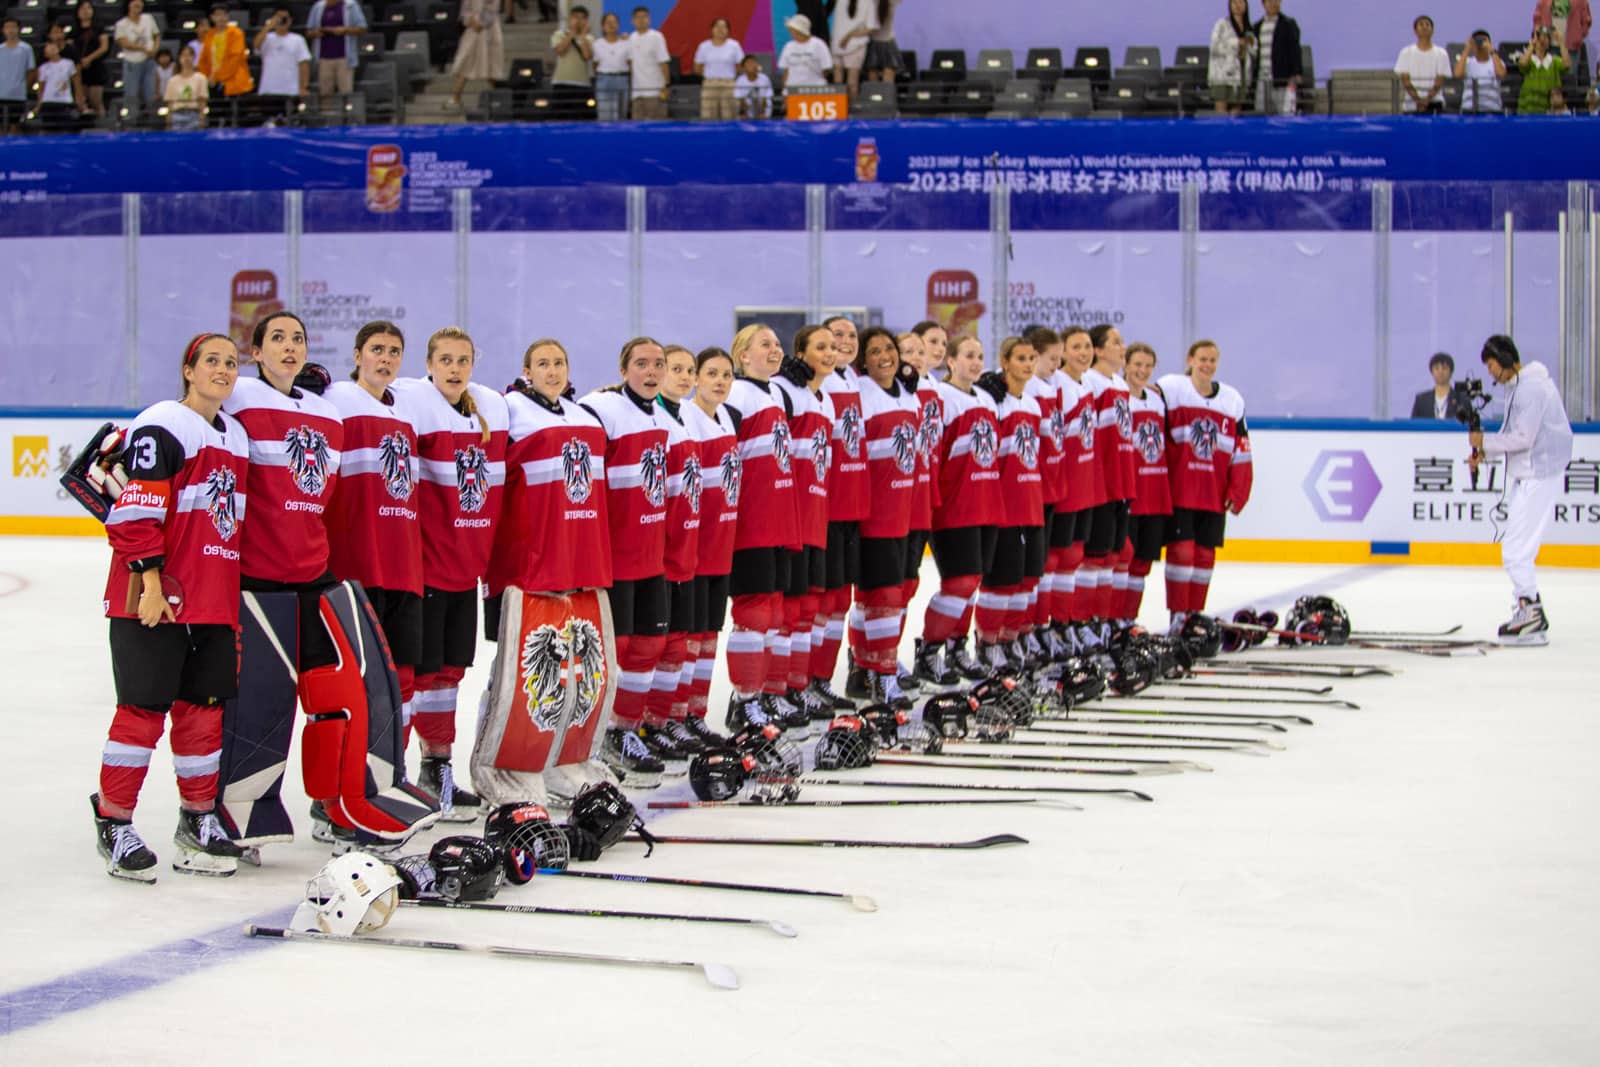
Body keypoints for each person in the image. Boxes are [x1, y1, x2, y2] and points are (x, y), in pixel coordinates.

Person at [92, 333, 251, 882]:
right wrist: (151, 583)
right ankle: (114, 821)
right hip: (155, 598)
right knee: (141, 712)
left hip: (211, 601)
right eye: (212, 361)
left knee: (203, 714)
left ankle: (197, 821)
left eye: (231, 363)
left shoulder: (237, 436)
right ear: (188, 370)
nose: (223, 370)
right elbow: (135, 515)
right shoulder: (163, 421)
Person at [482, 338, 614, 800]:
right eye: (543, 363)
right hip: (528, 564)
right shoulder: (508, 410)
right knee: (517, 673)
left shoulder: (583, 416)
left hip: (578, 561)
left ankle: (558, 758)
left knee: (572, 670)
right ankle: (499, 765)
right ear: (525, 370)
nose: (553, 370)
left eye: (559, 362)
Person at [391, 329, 508, 819]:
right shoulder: (412, 401)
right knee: (413, 677)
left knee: (447, 676)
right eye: (445, 360)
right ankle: (390, 776)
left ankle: (435, 766)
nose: (455, 369)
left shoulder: (487, 407)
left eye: (463, 360)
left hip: (465, 569)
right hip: (423, 568)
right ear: (429, 363)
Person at [323, 322, 424, 792]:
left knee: (402, 679)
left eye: (394, 352)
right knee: (358, 686)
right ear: (358, 354)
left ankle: (389, 775)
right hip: (358, 567)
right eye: (377, 350)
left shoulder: (404, 409)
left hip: (403, 565)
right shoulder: (337, 400)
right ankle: (342, 790)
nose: (385, 359)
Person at [577, 338, 675, 783]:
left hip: (651, 554)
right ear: (623, 368)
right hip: (615, 557)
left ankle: (625, 731)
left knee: (647, 647)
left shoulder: (661, 414)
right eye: (641, 363)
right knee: (610, 653)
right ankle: (592, 740)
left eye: (658, 364)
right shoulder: (602, 410)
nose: (651, 371)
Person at [719, 324, 807, 736]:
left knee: (774, 611)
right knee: (754, 612)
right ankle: (744, 700)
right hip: (751, 520)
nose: (775, 350)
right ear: (742, 355)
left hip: (779, 518)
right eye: (764, 344)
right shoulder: (736, 394)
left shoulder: (777, 393)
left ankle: (766, 693)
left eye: (777, 344)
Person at [1468, 335, 1574, 645]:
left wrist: (1484, 443)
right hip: (1530, 471)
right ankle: (1528, 607)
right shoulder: (1519, 387)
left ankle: (1531, 612)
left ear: (1505, 360)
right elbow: (1511, 435)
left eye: (1492, 366)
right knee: (1515, 549)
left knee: (1516, 550)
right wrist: (1484, 452)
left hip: (1538, 473)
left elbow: (1524, 438)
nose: (1491, 374)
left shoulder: (1531, 388)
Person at [921, 335, 1003, 682]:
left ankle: (956, 647)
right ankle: (929, 650)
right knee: (959, 581)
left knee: (972, 583)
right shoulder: (942, 397)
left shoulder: (986, 398)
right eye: (968, 355)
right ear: (950, 361)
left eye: (980, 356)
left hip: (986, 503)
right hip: (954, 506)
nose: (976, 362)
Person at [845, 328, 919, 707]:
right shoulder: (861, 395)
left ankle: (866, 667)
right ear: (864, 361)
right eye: (874, 351)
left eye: (888, 348)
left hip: (903, 511)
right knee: (881, 596)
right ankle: (880, 673)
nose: (884, 356)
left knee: (891, 595)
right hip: (875, 513)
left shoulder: (908, 394)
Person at [1158, 340, 1252, 627]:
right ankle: (1177, 613)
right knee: (1182, 552)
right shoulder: (1172, 389)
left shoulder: (1232, 400)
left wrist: (1238, 490)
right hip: (1181, 490)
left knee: (1204, 556)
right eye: (1202, 359)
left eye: (1212, 360)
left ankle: (1194, 613)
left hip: (1213, 492)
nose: (1207, 365)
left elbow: (1241, 448)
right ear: (1190, 359)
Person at [771, 326, 837, 726]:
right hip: (790, 517)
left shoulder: (823, 398)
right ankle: (772, 690)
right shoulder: (783, 390)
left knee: (809, 606)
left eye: (833, 347)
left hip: (815, 514)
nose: (830, 353)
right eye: (820, 347)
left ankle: (797, 685)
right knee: (786, 609)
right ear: (800, 352)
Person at [645, 344, 707, 769]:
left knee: (679, 643)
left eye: (690, 370)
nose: (684, 377)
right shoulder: (653, 420)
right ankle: (644, 723)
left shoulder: (688, 419)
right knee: (655, 643)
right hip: (660, 552)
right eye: (676, 369)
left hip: (687, 547)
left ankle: (668, 717)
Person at [972, 337, 1044, 673]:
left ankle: (1011, 637)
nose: (1028, 364)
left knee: (1027, 579)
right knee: (1002, 580)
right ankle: (987, 642)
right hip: (1004, 505)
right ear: (1004, 361)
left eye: (1031, 358)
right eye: (1020, 358)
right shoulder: (992, 402)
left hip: (1031, 502)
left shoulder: (1032, 405)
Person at [679, 347, 740, 742]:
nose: (720, 381)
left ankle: (696, 713)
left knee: (707, 635)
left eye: (726, 375)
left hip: (721, 543)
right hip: (695, 546)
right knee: (686, 637)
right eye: (712, 373)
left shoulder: (727, 419)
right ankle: (674, 714)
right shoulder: (686, 417)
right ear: (697, 378)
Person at [820, 315, 869, 705]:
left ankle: (827, 676)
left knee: (841, 601)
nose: (846, 341)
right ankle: (808, 680)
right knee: (823, 600)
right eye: (837, 335)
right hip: (827, 508)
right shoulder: (818, 383)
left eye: (852, 335)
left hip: (852, 506)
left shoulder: (853, 379)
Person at [1083, 324, 1137, 646]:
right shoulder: (1090, 381)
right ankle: (1084, 622)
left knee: (1116, 555)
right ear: (1099, 350)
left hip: (1120, 483)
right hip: (1100, 484)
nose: (1122, 346)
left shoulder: (1119, 383)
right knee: (1095, 557)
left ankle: (1101, 622)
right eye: (1115, 342)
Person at [1053, 326, 1103, 652]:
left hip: (1084, 484)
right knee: (1058, 558)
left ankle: (1066, 621)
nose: (1082, 353)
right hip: (1066, 485)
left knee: (1075, 557)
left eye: (1086, 346)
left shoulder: (1087, 384)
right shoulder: (1058, 385)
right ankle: (1052, 625)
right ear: (1063, 351)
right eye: (1075, 347)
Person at [1121, 343, 1172, 626]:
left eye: (1147, 366)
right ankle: (1112, 621)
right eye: (1137, 364)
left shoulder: (1156, 401)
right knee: (1123, 561)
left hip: (1153, 493)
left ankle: (1129, 619)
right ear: (1125, 365)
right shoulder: (1117, 398)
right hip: (1129, 492)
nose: (1141, 371)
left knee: (1141, 563)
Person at [253, 6, 310, 119]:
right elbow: (256, 45)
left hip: (290, 90)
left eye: (285, 18)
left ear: (290, 20)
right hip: (269, 90)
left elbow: (304, 64)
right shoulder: (267, 38)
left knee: (289, 121)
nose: (282, 20)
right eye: (279, 17)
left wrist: (303, 87)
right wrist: (269, 26)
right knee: (268, 122)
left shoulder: (298, 40)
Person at [446, 0, 503, 110]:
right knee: (465, 61)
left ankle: (499, 96)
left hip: (489, 31)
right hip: (472, 29)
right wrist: (470, 20)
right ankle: (456, 97)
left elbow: (493, 8)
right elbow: (465, 10)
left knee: (490, 66)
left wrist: (481, 23)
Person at [304, 0, 366, 100]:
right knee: (325, 94)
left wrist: (344, 30)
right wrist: (316, 33)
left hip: (345, 57)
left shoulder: (351, 5)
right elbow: (308, 31)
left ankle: (348, 115)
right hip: (324, 57)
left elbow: (362, 28)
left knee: (346, 93)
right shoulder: (318, 7)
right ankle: (326, 114)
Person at [113, 0, 160, 121]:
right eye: (135, 2)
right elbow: (124, 42)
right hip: (132, 64)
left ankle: (153, 121)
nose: (138, 4)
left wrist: (154, 49)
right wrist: (143, 48)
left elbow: (156, 35)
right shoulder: (121, 24)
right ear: (129, 4)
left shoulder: (148, 18)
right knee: (131, 95)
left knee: (151, 94)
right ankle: (131, 122)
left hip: (149, 62)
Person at [1251, 0, 1301, 114]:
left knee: (1285, 116)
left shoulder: (1288, 24)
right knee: (1260, 115)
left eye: (1276, 0)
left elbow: (1295, 50)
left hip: (1281, 78)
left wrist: (1296, 73)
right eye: (1270, 1)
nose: (1273, 3)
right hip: (1261, 80)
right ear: (1263, 4)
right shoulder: (1257, 27)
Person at [199, 4, 252, 111]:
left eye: (224, 14)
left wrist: (218, 77)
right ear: (212, 18)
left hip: (234, 84)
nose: (221, 18)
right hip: (213, 83)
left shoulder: (236, 33)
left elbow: (235, 59)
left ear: (228, 16)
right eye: (218, 15)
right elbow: (203, 60)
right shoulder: (209, 35)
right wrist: (207, 77)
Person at [1209, 0, 1257, 115]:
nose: (1237, 6)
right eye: (1234, 3)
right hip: (1222, 75)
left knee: (1236, 112)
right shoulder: (1221, 24)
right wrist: (1236, 43)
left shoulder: (1249, 28)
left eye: (1241, 2)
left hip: (1241, 74)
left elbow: (1254, 51)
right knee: (1221, 113)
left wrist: (1250, 45)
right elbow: (1214, 48)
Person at [1395, 14, 1450, 113]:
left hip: (1435, 103)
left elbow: (1439, 81)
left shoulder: (1441, 53)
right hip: (1411, 104)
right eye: (1421, 24)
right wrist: (1418, 100)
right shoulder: (1406, 52)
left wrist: (1427, 100)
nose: (1424, 27)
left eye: (1427, 25)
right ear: (1415, 31)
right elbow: (1406, 81)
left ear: (1432, 30)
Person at [624, 5, 669, 119]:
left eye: (644, 17)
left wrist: (666, 85)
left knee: (656, 128)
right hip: (637, 93)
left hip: (654, 91)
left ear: (649, 19)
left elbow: (663, 62)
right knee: (637, 129)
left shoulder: (657, 37)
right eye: (638, 17)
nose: (641, 20)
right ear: (633, 21)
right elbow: (629, 63)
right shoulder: (631, 38)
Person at [694, 17, 743, 119]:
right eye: (717, 26)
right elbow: (697, 68)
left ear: (728, 30)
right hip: (710, 84)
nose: (720, 29)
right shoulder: (704, 46)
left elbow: (740, 66)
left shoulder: (734, 45)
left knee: (729, 115)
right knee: (708, 116)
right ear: (711, 29)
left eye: (724, 27)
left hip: (728, 84)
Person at [550, 5, 593, 118]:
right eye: (575, 17)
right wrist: (571, 34)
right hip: (561, 83)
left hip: (582, 84)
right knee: (560, 118)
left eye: (582, 18)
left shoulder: (590, 38)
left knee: (580, 118)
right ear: (569, 19)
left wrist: (583, 36)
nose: (579, 21)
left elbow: (587, 56)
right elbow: (560, 51)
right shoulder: (559, 34)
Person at [1517, 26, 1570, 114]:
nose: (1542, 40)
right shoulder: (1529, 59)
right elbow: (1522, 64)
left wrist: (1561, 42)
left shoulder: (1554, 61)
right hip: (1527, 110)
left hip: (1549, 111)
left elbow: (1567, 65)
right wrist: (1532, 44)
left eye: (1546, 37)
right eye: (1539, 37)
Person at [71, 1, 111, 117]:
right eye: (82, 8)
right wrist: (80, 61)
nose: (85, 11)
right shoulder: (74, 31)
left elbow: (104, 47)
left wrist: (89, 58)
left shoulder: (99, 28)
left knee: (96, 101)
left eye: (88, 8)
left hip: (95, 67)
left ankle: (102, 126)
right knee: (82, 102)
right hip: (79, 69)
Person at [830, 0, 877, 98]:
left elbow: (870, 28)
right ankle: (843, 107)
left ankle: (849, 107)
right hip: (840, 43)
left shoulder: (867, 3)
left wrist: (849, 36)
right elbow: (870, 28)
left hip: (853, 45)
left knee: (848, 80)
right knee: (842, 80)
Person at [1454, 30, 1506, 114]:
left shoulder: (1497, 62)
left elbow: (1501, 74)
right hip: (1469, 109)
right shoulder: (1467, 62)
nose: (1480, 43)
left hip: (1492, 109)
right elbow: (1457, 74)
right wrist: (1467, 49)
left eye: (1483, 40)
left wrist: (1491, 50)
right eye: (1477, 40)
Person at [779, 13, 832, 90]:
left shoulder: (818, 44)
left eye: (792, 30)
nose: (791, 33)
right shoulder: (788, 46)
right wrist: (785, 89)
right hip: (793, 89)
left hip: (815, 89)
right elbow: (786, 71)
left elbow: (826, 68)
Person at [591, 11, 628, 120]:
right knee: (605, 116)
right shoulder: (597, 44)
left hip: (622, 79)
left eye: (614, 22)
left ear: (618, 24)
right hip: (604, 79)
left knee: (622, 115)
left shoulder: (626, 43)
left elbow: (630, 63)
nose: (611, 25)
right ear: (603, 26)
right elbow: (595, 65)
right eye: (608, 22)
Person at [35, 38, 78, 129]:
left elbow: (76, 83)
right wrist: (39, 104)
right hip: (48, 102)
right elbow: (41, 88)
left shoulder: (69, 64)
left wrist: (79, 100)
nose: (51, 48)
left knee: (64, 128)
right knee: (49, 129)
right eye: (48, 47)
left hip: (64, 101)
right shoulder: (43, 68)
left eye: (52, 46)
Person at [163, 43, 208, 127]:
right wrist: (168, 120)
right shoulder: (172, 80)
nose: (186, 58)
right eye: (183, 55)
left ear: (193, 57)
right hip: (177, 115)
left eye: (189, 55)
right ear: (179, 58)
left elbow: (202, 101)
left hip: (194, 115)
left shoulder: (201, 78)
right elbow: (170, 103)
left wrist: (202, 118)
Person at [863, 0, 902, 82]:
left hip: (886, 43)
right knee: (876, 82)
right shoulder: (871, 3)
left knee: (883, 82)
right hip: (876, 43)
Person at [1411, 352, 1456, 418]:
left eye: (1444, 368)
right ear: (1432, 372)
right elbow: (1413, 425)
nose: (1440, 372)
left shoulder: (1461, 399)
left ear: (1451, 372)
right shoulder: (1422, 400)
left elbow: (1467, 424)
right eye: (1436, 368)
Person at [733, 53, 773, 118]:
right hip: (747, 110)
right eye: (749, 63)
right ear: (743, 67)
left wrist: (762, 112)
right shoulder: (740, 80)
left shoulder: (764, 78)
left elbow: (766, 97)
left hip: (763, 109)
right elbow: (740, 99)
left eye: (754, 62)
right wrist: (746, 113)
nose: (752, 65)